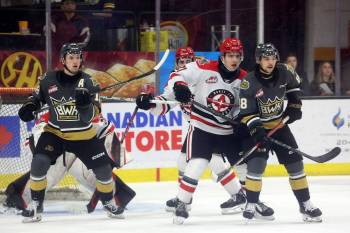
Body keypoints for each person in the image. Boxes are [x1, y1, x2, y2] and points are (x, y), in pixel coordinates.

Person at [137, 38, 250, 225]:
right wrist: (149, 103)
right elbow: (164, 104)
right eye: (181, 62)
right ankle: (188, 200)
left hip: (222, 128)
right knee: (191, 162)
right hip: (200, 127)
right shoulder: (181, 80)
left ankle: (240, 196)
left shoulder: (202, 72)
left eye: (188, 60)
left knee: (213, 162)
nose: (185, 64)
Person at [17, 43, 122, 223]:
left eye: (78, 57)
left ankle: (108, 202)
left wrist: (84, 105)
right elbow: (36, 98)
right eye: (71, 57)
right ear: (63, 60)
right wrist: (30, 106)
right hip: (55, 133)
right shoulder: (47, 79)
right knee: (39, 163)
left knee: (104, 171)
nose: (75, 61)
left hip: (84, 135)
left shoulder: (90, 82)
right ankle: (36, 205)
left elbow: (93, 115)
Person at [239, 43, 322, 222]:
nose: (270, 62)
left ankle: (305, 204)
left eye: (273, 58)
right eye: (266, 59)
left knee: (295, 164)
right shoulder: (249, 81)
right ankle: (251, 204)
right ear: (258, 60)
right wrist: (258, 132)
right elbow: (246, 114)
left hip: (279, 126)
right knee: (257, 165)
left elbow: (293, 90)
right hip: (257, 128)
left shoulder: (286, 71)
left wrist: (294, 105)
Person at [1, 113, 136, 215]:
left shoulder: (88, 112)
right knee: (48, 174)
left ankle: (115, 199)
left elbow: (107, 130)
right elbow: (35, 141)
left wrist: (111, 157)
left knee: (92, 172)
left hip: (81, 150)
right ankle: (19, 200)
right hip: (57, 152)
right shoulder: (50, 116)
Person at [49, 0, 90, 66]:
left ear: (75, 6)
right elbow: (50, 37)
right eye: (67, 3)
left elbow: (84, 39)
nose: (70, 5)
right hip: (56, 54)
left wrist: (72, 50)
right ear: (62, 7)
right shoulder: (55, 19)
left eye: (72, 3)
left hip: (75, 55)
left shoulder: (82, 21)